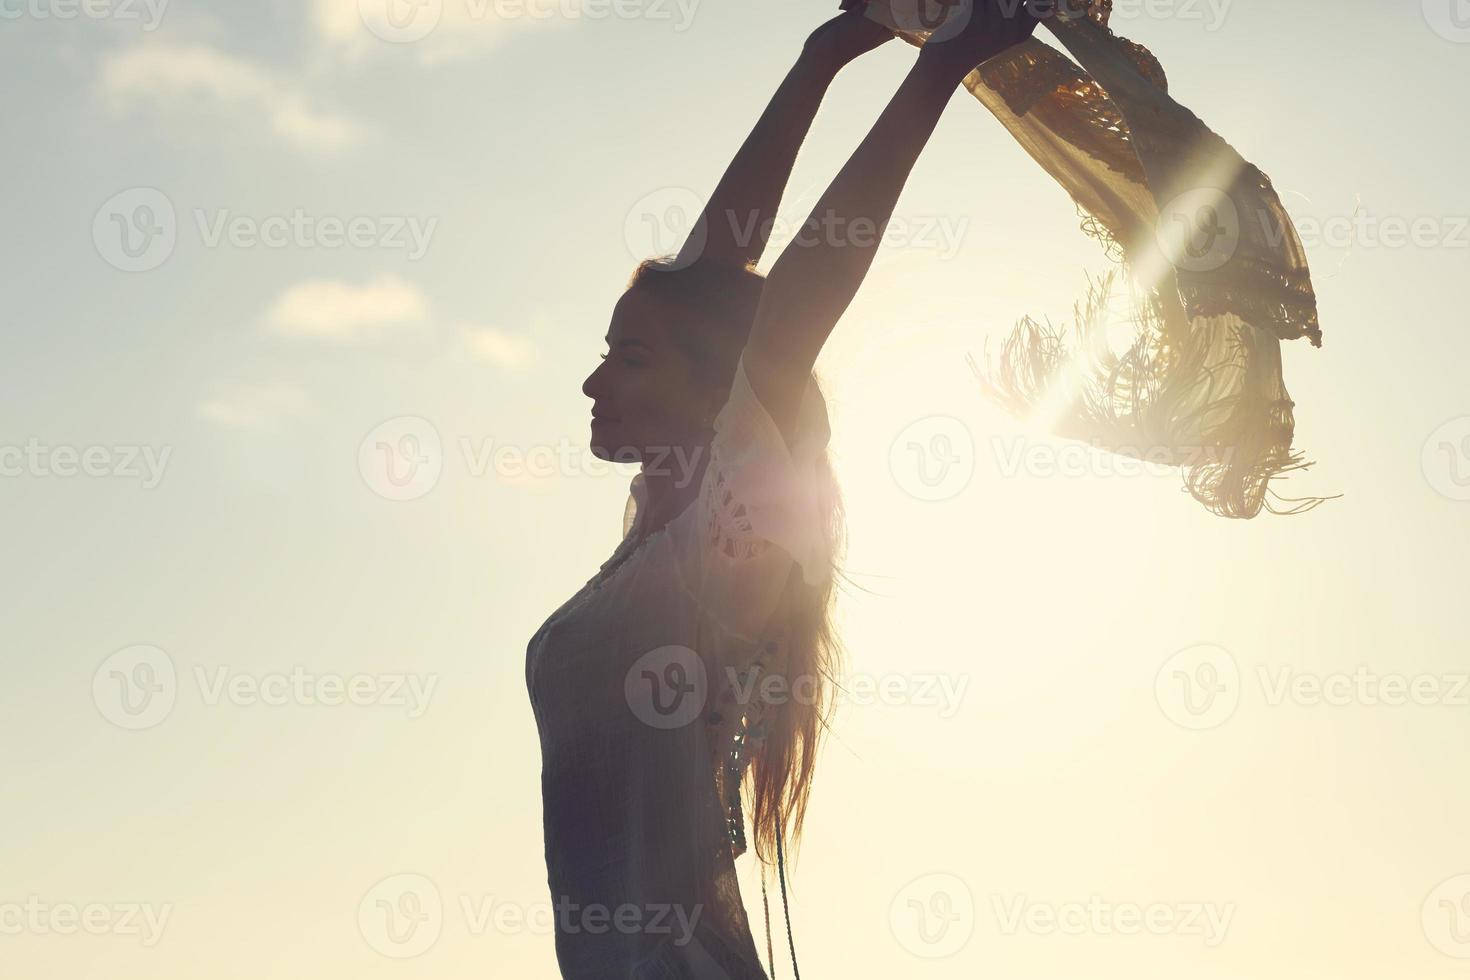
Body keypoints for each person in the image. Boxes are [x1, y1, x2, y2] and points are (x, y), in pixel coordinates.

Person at [524, 3, 1041, 976]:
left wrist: (941, 71)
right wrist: (824, 57)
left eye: (628, 359)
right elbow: (708, 272)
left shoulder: (727, 537)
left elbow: (782, 306)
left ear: (718, 396)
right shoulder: (659, 535)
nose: (595, 382)